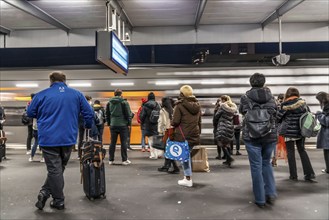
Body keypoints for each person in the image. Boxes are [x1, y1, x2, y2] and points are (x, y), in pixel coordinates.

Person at [27, 71, 94, 210]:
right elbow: (89, 113)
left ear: (51, 81)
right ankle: (47, 194)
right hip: (68, 138)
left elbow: (30, 113)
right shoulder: (77, 94)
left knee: (54, 170)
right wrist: (87, 125)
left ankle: (57, 199)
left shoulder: (41, 95)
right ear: (65, 80)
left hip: (48, 138)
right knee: (58, 169)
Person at [239, 73, 277, 208]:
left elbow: (242, 112)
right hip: (269, 135)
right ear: (263, 82)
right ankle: (271, 193)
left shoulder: (245, 98)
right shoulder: (271, 97)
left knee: (256, 166)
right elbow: (275, 112)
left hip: (251, 135)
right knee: (266, 163)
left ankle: (260, 199)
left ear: (251, 83)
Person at [277, 87, 316, 183]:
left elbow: (278, 118)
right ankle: (309, 174)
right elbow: (309, 115)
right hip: (300, 131)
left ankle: (293, 175)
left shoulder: (284, 105)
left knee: (290, 153)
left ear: (287, 95)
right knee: (302, 151)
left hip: (288, 132)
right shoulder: (303, 104)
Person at [172, 85, 201, 187]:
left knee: (185, 157)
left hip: (183, 135)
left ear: (182, 94)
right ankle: (187, 176)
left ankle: (188, 178)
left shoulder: (179, 105)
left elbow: (175, 122)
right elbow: (199, 121)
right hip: (194, 134)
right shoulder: (197, 105)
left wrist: (172, 122)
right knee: (186, 155)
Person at [106, 89, 133, 165]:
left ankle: (111, 160)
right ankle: (124, 160)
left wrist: (109, 123)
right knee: (123, 143)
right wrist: (129, 123)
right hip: (123, 125)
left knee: (112, 143)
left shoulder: (109, 102)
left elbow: (107, 114)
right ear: (121, 94)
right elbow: (128, 114)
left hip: (113, 124)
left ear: (114, 94)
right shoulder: (124, 102)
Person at [157, 97, 180, 174]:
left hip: (167, 132)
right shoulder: (174, 109)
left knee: (167, 149)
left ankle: (172, 167)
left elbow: (161, 122)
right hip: (173, 132)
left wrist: (160, 131)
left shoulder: (163, 110)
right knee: (169, 149)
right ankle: (167, 166)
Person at [213, 95, 237, 167]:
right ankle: (228, 160)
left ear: (223, 100)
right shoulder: (232, 107)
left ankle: (229, 158)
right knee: (227, 143)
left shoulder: (222, 107)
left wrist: (216, 109)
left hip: (222, 126)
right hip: (230, 126)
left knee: (221, 143)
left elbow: (216, 116)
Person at [139, 92, 160, 159]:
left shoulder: (145, 106)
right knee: (155, 139)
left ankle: (153, 155)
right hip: (155, 125)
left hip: (147, 125)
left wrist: (143, 123)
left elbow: (141, 116)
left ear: (148, 98)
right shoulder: (157, 105)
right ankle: (156, 153)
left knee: (150, 140)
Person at [315, 92, 329, 174]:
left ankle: (328, 169)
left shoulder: (327, 107)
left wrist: (319, 115)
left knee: (327, 152)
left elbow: (327, 122)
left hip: (327, 134)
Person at [271, 93, 285, 167]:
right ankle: (274, 159)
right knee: (277, 144)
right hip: (280, 127)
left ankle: (274, 159)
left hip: (275, 126)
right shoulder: (282, 105)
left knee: (275, 144)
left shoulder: (275, 105)